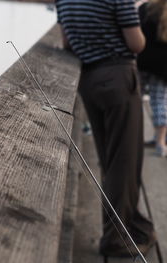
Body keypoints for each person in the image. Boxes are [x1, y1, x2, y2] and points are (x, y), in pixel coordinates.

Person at [55, 0, 156, 257]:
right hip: (118, 78)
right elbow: (136, 44)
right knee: (124, 161)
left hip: (89, 81)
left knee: (109, 160)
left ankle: (128, 226)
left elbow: (67, 43)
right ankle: (117, 239)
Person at [138, 0, 167, 157]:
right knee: (160, 102)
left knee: (136, 99)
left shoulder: (147, 8)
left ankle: (134, 138)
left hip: (142, 61)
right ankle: (160, 143)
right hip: (163, 68)